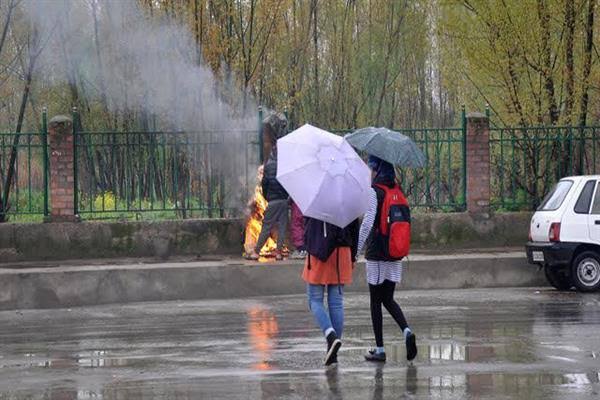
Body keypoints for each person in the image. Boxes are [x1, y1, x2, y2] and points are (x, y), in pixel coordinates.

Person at [357, 155, 417, 363]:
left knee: (375, 301)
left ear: (377, 170)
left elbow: (366, 224)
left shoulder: (375, 192)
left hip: (376, 253)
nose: (369, 173)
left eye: (370, 169)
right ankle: (407, 331)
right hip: (395, 252)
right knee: (388, 298)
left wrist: (356, 250)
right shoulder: (397, 191)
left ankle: (380, 350)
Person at [302, 216, 359, 366]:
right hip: (344, 252)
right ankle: (333, 354)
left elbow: (307, 228)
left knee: (314, 300)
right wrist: (352, 256)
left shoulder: (316, 197)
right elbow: (355, 229)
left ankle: (330, 335)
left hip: (320, 250)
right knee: (336, 304)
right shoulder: (347, 199)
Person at [247, 146, 289, 260]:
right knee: (282, 227)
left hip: (273, 200)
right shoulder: (285, 165)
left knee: (266, 226)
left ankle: (256, 251)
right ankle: (279, 253)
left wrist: (267, 197)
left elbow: (264, 184)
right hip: (284, 201)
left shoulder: (269, 166)